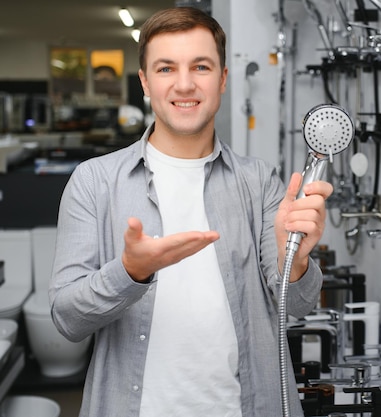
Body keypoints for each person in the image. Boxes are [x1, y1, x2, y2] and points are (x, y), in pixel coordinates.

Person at [49, 7, 332, 417]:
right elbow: (66, 319)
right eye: (166, 69)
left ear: (221, 78)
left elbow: (299, 305)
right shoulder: (94, 182)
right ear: (145, 81)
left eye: (200, 66)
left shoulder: (260, 182)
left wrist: (298, 261)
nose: (184, 84)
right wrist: (129, 272)